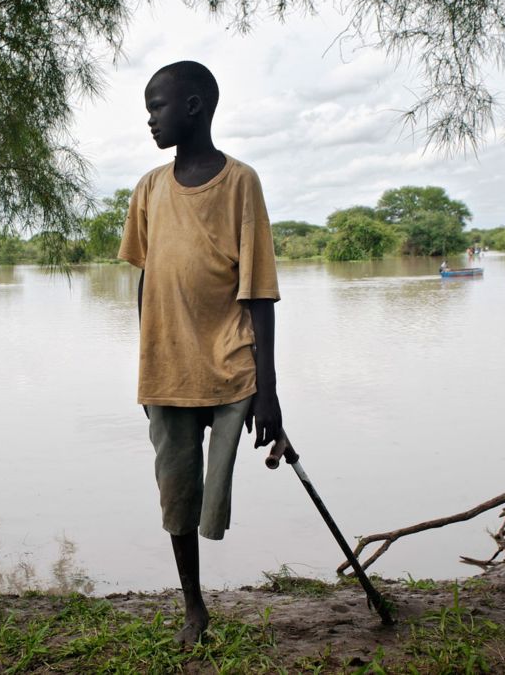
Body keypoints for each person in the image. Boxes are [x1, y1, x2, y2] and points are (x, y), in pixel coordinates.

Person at [118, 60, 283, 646]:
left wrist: (270, 394)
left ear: (193, 106)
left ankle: (264, 425)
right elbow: (146, 280)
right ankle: (194, 607)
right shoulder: (149, 189)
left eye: (157, 106)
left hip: (232, 359)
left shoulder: (241, 182)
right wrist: (146, 358)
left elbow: (259, 291)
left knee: (216, 494)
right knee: (176, 492)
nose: (149, 119)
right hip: (167, 367)